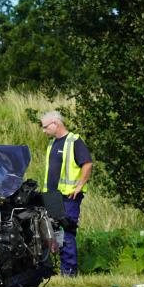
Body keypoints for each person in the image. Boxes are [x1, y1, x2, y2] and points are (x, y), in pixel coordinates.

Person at [40, 111, 92, 277]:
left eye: (45, 127)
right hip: (53, 196)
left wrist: (79, 186)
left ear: (56, 123)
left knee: (67, 232)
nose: (43, 130)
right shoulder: (52, 144)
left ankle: (69, 272)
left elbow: (87, 164)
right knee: (55, 233)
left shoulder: (74, 141)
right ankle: (62, 270)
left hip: (69, 197)